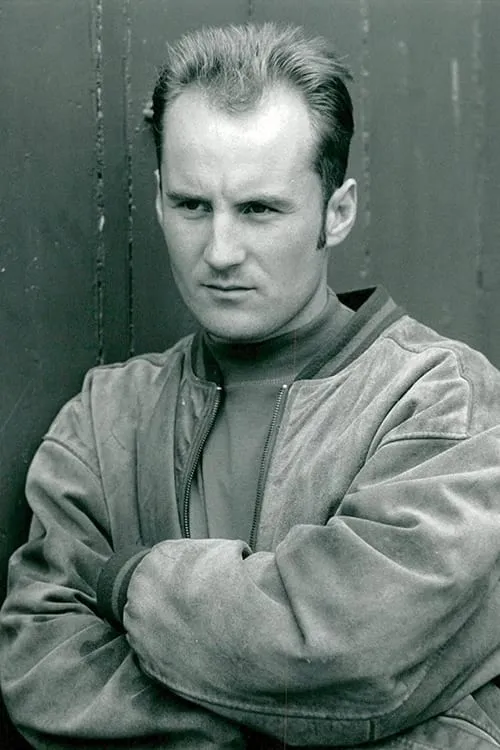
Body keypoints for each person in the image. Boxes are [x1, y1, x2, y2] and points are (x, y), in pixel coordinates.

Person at [1, 21, 500, 750]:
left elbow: (350, 655)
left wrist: (130, 582)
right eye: (192, 205)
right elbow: (45, 671)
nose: (220, 251)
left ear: (337, 212)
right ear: (158, 200)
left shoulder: (442, 401)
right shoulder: (104, 421)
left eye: (260, 209)